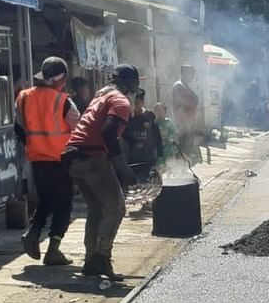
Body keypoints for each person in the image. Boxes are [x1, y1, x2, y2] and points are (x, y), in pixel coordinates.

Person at [61, 63, 139, 280]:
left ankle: (90, 261)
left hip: (73, 157)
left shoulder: (102, 96)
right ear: (129, 82)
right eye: (136, 81)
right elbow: (108, 131)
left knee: (97, 209)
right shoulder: (121, 101)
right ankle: (102, 258)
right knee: (116, 207)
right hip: (92, 157)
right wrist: (122, 168)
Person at [15, 56, 80, 266]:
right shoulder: (63, 101)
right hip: (60, 161)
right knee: (64, 204)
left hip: (37, 160)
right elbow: (79, 130)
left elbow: (19, 127)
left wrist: (33, 144)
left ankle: (33, 233)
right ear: (61, 79)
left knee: (46, 200)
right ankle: (54, 249)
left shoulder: (23, 97)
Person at [121, 90, 162, 181]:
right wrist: (133, 143)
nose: (135, 106)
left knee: (149, 181)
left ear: (142, 103)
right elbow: (124, 134)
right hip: (133, 158)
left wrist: (160, 155)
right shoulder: (127, 117)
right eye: (133, 104)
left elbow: (157, 136)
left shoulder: (149, 116)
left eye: (137, 103)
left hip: (149, 157)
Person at [172, 65, 201, 164]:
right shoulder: (179, 86)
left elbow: (195, 100)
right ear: (184, 74)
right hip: (182, 121)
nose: (192, 77)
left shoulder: (186, 86)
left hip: (189, 121)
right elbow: (185, 102)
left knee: (187, 146)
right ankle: (179, 166)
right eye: (190, 74)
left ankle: (184, 165)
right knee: (182, 145)